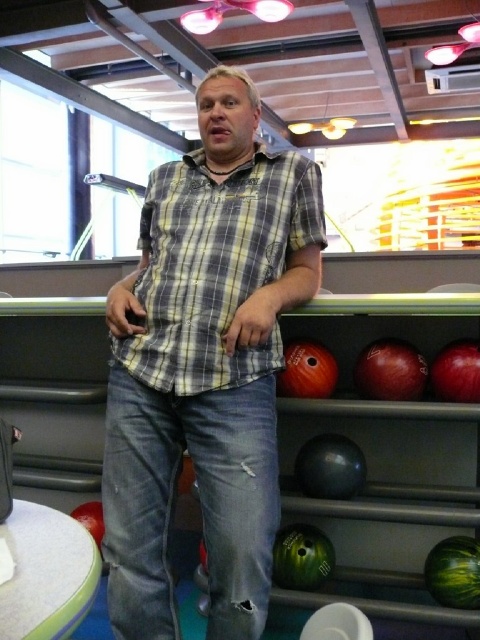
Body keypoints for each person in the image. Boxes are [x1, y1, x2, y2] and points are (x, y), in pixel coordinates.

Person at [102, 64, 327, 640]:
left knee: (242, 551)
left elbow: (307, 272)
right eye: (206, 105)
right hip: (142, 369)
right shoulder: (165, 178)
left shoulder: (294, 173)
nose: (216, 113)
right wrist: (121, 287)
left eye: (229, 103)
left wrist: (269, 298)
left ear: (256, 116)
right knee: (128, 548)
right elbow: (151, 266)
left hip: (234, 377)